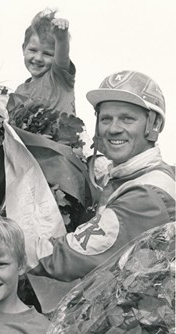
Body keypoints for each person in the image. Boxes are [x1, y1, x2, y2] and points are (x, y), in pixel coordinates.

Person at [28, 70, 175, 281]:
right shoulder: (131, 172)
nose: (113, 129)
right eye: (106, 119)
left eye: (127, 119)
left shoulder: (146, 196)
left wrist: (4, 242)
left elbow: (67, 258)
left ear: (154, 125)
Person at [6, 9, 76, 116]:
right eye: (33, 50)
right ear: (23, 48)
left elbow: (62, 56)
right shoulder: (19, 91)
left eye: (47, 54)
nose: (38, 58)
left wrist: (61, 38)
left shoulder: (59, 77)